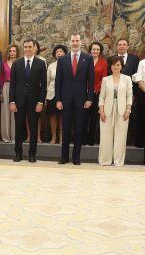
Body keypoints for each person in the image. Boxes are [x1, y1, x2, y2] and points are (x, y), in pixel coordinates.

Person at [55, 33, 94, 165]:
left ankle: (76, 157)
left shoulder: (88, 59)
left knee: (79, 129)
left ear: (81, 42)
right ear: (69, 42)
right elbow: (58, 81)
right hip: (65, 100)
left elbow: (91, 81)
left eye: (77, 41)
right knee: (65, 129)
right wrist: (58, 99)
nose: (75, 43)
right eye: (73, 41)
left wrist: (89, 99)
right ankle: (64, 157)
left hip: (81, 100)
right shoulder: (62, 60)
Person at [9, 39, 47, 163]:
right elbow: (12, 85)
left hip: (34, 102)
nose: (27, 49)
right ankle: (18, 153)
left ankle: (32, 154)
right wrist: (12, 101)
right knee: (19, 128)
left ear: (35, 48)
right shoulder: (16, 63)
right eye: (25, 47)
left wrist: (40, 102)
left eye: (30, 47)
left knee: (33, 128)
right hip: (18, 102)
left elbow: (43, 85)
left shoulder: (41, 63)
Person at [98, 55, 133, 166]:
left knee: (121, 137)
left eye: (118, 65)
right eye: (113, 65)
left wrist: (128, 110)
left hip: (122, 111)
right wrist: (101, 111)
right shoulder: (105, 79)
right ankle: (105, 160)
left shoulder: (127, 79)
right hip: (107, 111)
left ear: (121, 66)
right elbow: (101, 97)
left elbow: (129, 95)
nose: (115, 67)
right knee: (105, 136)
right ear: (110, 66)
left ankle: (118, 161)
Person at [45, 44, 68, 144]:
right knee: (53, 116)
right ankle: (54, 137)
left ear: (65, 53)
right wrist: (45, 97)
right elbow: (47, 81)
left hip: (64, 94)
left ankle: (62, 137)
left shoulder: (68, 65)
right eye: (57, 52)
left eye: (61, 51)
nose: (59, 53)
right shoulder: (51, 66)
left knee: (63, 116)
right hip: (52, 94)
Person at [86, 42, 108, 146]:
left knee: (94, 117)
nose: (95, 51)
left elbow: (104, 78)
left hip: (96, 93)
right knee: (83, 117)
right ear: (90, 50)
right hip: (84, 92)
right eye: (93, 49)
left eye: (97, 49)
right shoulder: (85, 60)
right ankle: (82, 139)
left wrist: (96, 88)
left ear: (100, 51)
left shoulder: (103, 62)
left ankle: (91, 140)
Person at [0, 44, 18, 143]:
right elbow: (1, 78)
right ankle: (6, 137)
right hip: (6, 87)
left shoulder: (20, 63)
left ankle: (15, 137)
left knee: (15, 112)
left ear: (17, 52)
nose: (12, 53)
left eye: (14, 51)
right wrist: (1, 92)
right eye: (10, 51)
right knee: (5, 112)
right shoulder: (3, 64)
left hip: (17, 88)